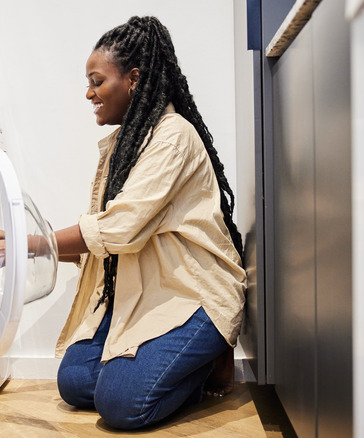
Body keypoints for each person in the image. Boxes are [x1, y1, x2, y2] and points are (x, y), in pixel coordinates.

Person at [51, 16, 246, 430]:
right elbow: (105, 233)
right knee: (73, 382)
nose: (89, 93)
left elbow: (117, 230)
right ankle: (158, 368)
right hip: (145, 295)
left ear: (134, 78)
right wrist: (31, 246)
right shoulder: (123, 143)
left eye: (97, 81)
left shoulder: (173, 136)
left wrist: (29, 244)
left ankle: (206, 359)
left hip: (193, 296)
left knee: (120, 404)